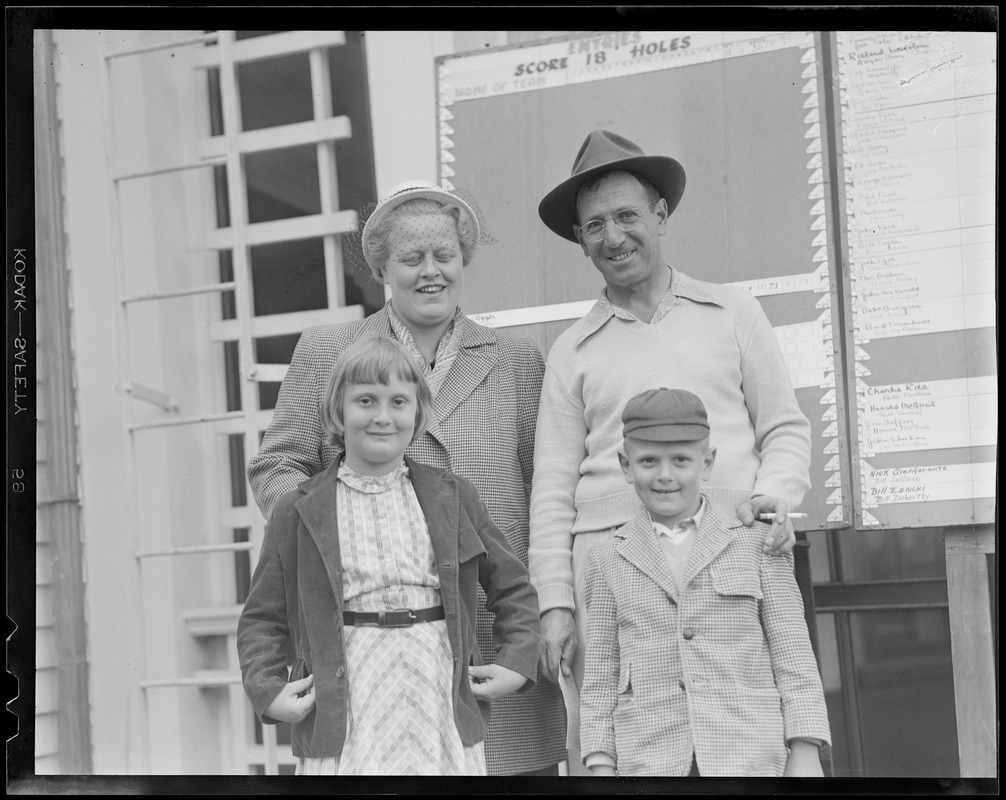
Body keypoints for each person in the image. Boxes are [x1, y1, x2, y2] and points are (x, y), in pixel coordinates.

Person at [247, 180, 567, 775]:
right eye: (411, 258)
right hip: (369, 643)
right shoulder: (332, 350)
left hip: (496, 632)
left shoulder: (516, 361)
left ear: (463, 259)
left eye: (443, 255)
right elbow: (277, 466)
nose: (430, 272)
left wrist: (546, 613)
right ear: (382, 269)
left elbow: (548, 493)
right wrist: (342, 533)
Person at [529, 130, 813, 768]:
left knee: (744, 738)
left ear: (660, 215)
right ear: (579, 240)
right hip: (610, 568)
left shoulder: (732, 312)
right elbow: (550, 487)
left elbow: (785, 430)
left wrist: (773, 499)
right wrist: (554, 601)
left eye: (627, 216)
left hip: (728, 555)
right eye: (594, 225)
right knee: (623, 746)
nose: (613, 236)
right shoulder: (573, 349)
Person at [237, 337, 541, 775]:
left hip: (436, 691)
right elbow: (262, 618)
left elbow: (512, 586)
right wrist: (267, 690)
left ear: (417, 412)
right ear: (337, 412)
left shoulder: (452, 496)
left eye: (398, 401)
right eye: (365, 400)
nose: (383, 416)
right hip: (348, 699)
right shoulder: (298, 509)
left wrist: (516, 660)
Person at [580, 387, 830, 776]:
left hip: (750, 757)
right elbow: (600, 674)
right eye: (648, 461)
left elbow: (794, 655)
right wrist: (599, 764)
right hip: (650, 762)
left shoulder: (757, 542)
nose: (665, 475)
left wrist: (805, 748)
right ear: (626, 466)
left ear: (707, 462)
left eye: (681, 460)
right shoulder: (607, 557)